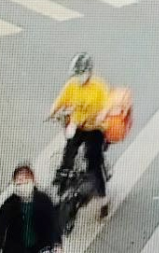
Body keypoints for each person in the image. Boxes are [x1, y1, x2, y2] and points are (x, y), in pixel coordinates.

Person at [48, 53, 110, 218]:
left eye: (81, 73)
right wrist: (52, 112)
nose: (79, 77)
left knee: (93, 162)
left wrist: (101, 115)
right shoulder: (72, 86)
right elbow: (61, 100)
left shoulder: (99, 86)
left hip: (95, 128)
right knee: (68, 152)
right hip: (79, 125)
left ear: (89, 72)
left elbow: (106, 105)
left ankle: (103, 200)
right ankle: (64, 180)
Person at [0, 164, 62, 253]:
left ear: (32, 181)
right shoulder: (10, 204)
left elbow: (53, 223)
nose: (22, 187)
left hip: (40, 246)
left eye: (25, 182)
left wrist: (57, 244)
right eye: (19, 184)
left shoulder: (43, 200)